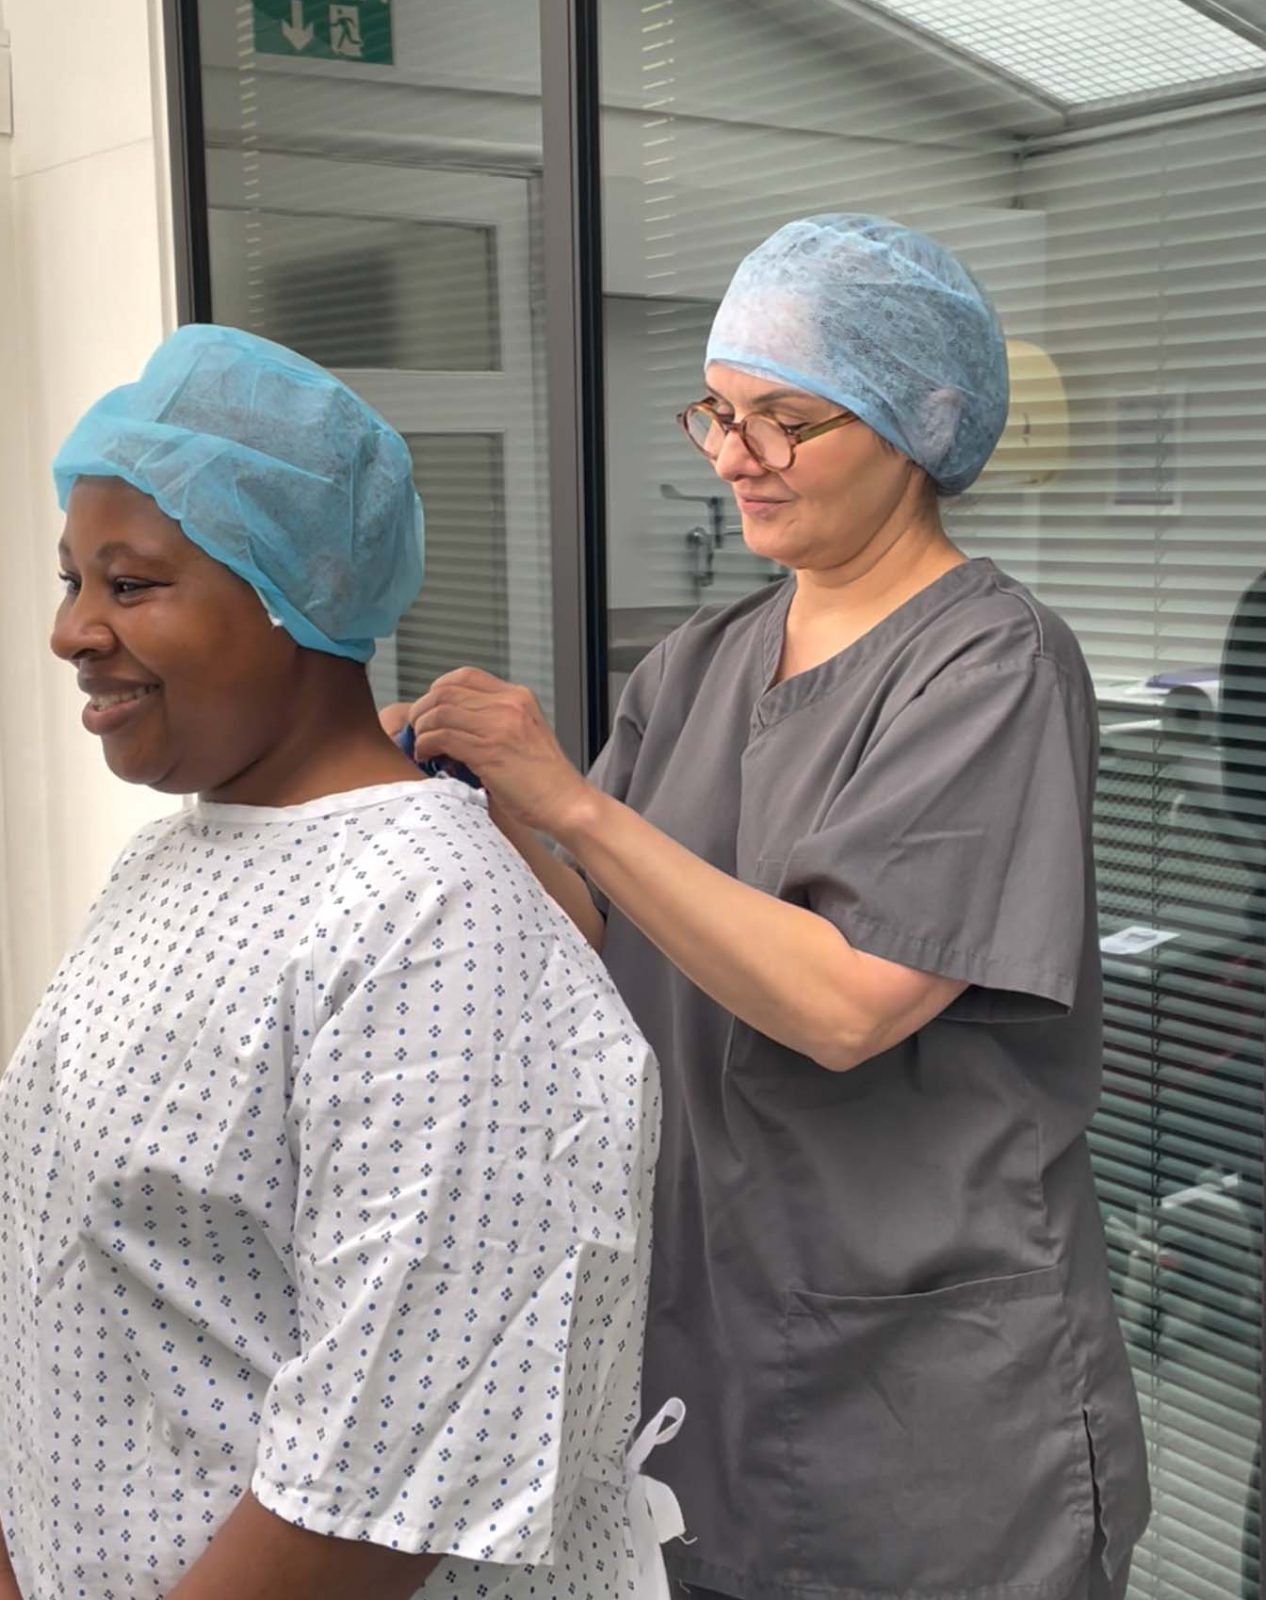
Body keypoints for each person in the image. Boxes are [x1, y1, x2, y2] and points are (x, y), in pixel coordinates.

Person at [389, 214, 1152, 1600]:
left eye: (784, 420)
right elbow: (602, 934)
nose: (734, 458)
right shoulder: (699, 662)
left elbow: (843, 1000)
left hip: (932, 1385)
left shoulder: (990, 664)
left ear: (919, 423)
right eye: (718, 414)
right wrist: (478, 799)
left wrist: (570, 801)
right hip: (725, 1327)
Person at [0, 324, 680, 1600]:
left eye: (129, 587)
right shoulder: (172, 861)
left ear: (293, 592)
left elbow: (378, 1487)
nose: (72, 631)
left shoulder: (435, 929)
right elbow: (87, 1286)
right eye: (72, 580)